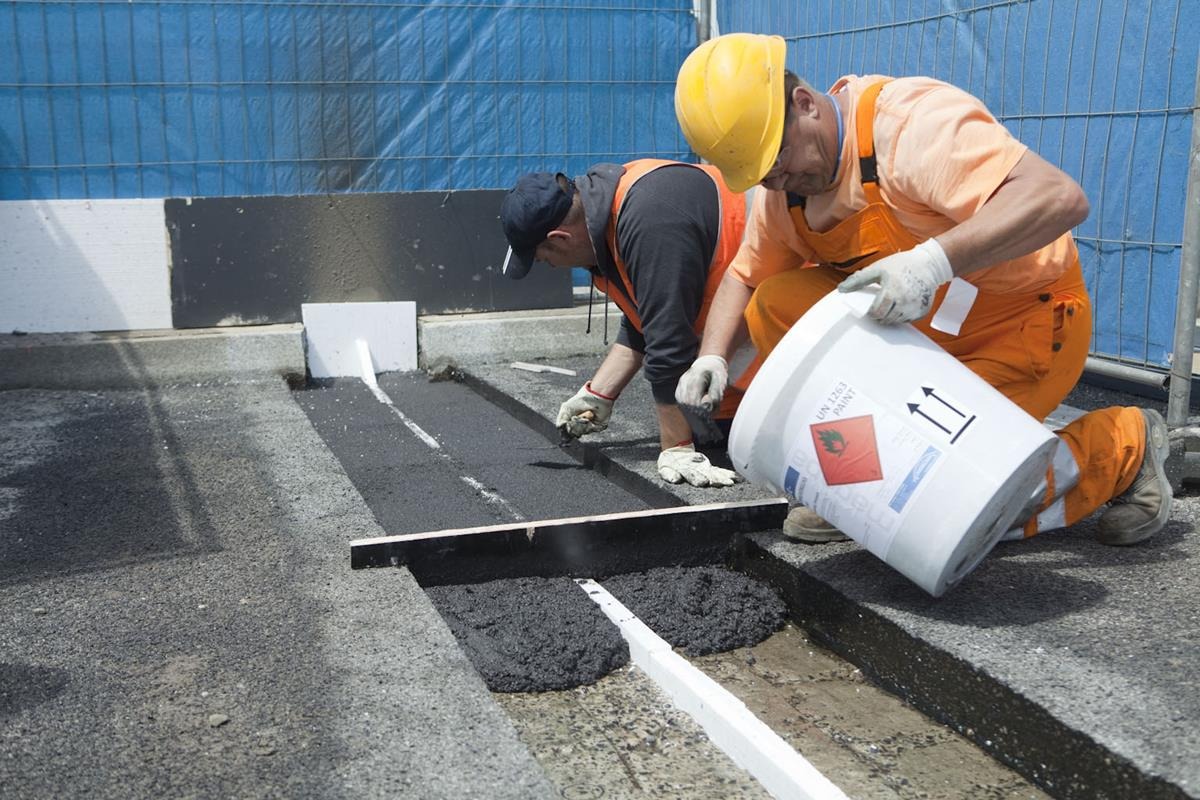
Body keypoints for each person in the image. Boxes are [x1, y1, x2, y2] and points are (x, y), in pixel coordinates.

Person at [671, 32, 1173, 545]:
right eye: (762, 174)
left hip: (1021, 323)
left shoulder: (911, 126)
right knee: (777, 303)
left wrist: (930, 263)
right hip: (921, 330)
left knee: (951, 514)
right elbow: (746, 276)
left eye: (778, 160)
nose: (776, 181)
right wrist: (711, 357)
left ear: (804, 104)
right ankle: (862, 479)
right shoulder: (787, 192)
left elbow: (1059, 198)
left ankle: (1123, 447)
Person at [499, 160, 754, 488]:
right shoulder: (606, 218)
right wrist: (599, 394)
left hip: (788, 325)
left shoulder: (649, 219)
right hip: (740, 335)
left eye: (543, 258)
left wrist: (676, 448)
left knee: (765, 452)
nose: (549, 265)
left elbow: (668, 341)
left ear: (559, 238)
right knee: (715, 434)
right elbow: (643, 321)